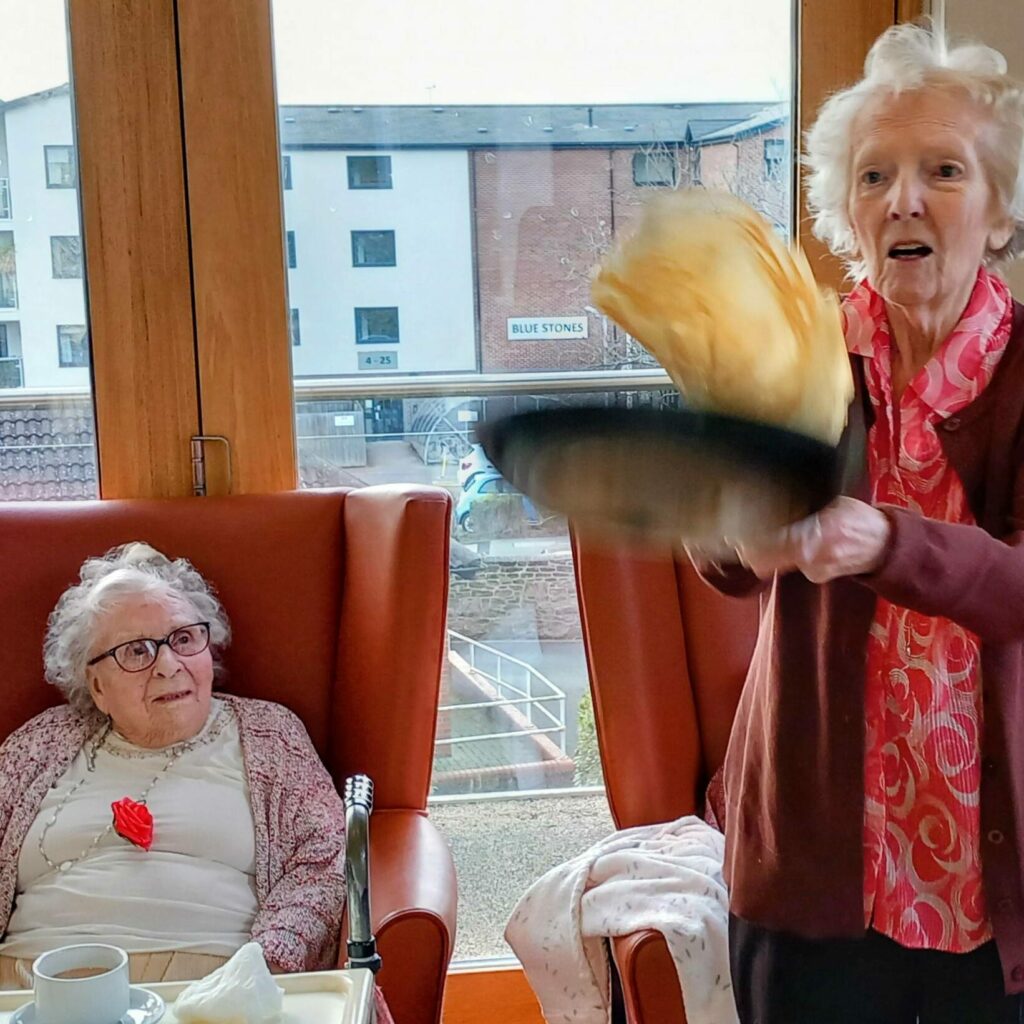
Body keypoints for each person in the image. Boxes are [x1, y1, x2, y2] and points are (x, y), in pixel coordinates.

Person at [696, 23, 1024, 1024]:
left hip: (994, 859)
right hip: (814, 852)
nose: (905, 199)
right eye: (874, 176)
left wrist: (887, 543)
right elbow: (712, 538)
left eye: (942, 171)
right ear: (847, 211)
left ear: (998, 209)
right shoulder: (793, 357)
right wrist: (736, 536)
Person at [0, 542, 393, 1022]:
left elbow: (325, 857)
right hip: (31, 994)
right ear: (96, 686)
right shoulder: (39, 743)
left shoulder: (269, 733)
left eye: (184, 639)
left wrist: (263, 966)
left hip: (207, 992)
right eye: (136, 651)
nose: (168, 664)